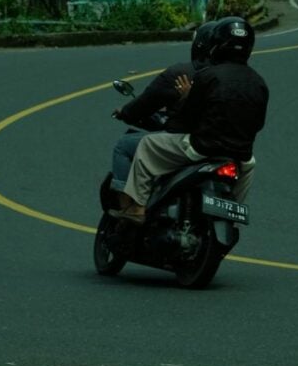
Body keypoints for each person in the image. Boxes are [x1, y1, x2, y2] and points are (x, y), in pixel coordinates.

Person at [108, 16, 269, 224]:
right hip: (241, 154)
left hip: (202, 147)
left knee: (146, 145)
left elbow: (185, 120)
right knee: (250, 164)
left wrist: (181, 106)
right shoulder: (259, 83)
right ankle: (231, 212)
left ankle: (136, 207)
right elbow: (258, 124)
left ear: (216, 46)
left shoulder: (206, 76)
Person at [109, 21, 216, 195]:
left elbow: (146, 102)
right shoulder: (240, 79)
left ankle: (130, 204)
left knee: (124, 146)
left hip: (192, 143)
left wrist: (126, 111)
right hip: (230, 148)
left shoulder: (181, 73)